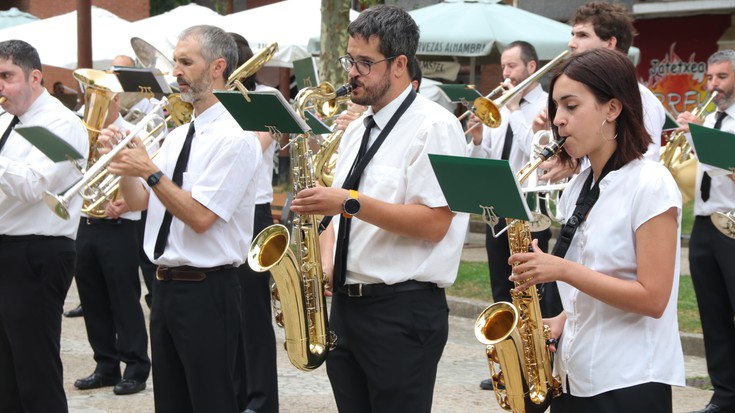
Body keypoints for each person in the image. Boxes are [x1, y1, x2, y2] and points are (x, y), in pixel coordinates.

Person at [290, 5, 469, 412]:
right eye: (349, 60)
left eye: (364, 63)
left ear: (400, 64)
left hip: (401, 312)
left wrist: (349, 202)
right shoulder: (357, 128)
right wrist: (320, 267)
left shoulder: (434, 126)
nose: (351, 72)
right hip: (348, 307)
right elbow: (338, 221)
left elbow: (435, 223)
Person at [508, 48, 684, 412]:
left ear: (612, 109)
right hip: (575, 376)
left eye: (571, 106)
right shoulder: (579, 184)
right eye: (556, 107)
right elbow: (597, 282)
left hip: (630, 381)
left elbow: (653, 299)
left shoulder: (651, 183)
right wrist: (557, 321)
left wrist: (561, 269)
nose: (558, 120)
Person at [98, 25, 261, 413]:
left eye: (186, 62)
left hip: (208, 291)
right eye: (175, 62)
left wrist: (151, 172)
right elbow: (138, 202)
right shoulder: (176, 136)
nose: (176, 72)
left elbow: (201, 217)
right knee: (171, 403)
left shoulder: (236, 137)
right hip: (165, 288)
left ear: (218, 67)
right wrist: (126, 162)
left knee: (213, 402)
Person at [465, 39, 559, 391]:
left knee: (530, 291)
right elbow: (489, 157)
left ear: (531, 68)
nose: (505, 74)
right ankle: (508, 362)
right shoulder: (501, 108)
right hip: (498, 208)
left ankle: (534, 362)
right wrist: (477, 137)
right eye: (503, 67)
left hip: (531, 211)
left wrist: (516, 108)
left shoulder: (545, 105)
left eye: (511, 67)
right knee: (500, 288)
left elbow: (532, 150)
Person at [0, 39, 88, 413]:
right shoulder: (7, 120)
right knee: (6, 372)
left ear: (35, 77)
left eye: (6, 76)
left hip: (37, 253)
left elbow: (34, 185)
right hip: (9, 249)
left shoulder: (61, 123)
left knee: (36, 371)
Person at [71, 55, 152, 397]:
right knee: (91, 298)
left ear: (116, 99)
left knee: (123, 299)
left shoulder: (136, 131)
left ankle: (135, 366)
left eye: (100, 96)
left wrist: (123, 199)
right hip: (86, 222)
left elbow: (148, 178)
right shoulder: (78, 131)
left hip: (121, 226)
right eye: (89, 95)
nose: (93, 102)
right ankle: (105, 365)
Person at [539, 1, 666, 182]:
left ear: (610, 43)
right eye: (573, 34)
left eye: (582, 35)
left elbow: (642, 166)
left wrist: (576, 166)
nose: (571, 43)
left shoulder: (643, 99)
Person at [675, 49, 735, 413]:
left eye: (722, 78)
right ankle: (725, 395)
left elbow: (726, 165)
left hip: (733, 225)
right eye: (710, 78)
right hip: (702, 224)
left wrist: (698, 137)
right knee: (712, 315)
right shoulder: (710, 120)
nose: (714, 85)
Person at [229, 31, 280, 413]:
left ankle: (261, 400)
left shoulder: (263, 99)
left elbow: (254, 145)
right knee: (227, 308)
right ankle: (234, 392)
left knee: (253, 310)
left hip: (255, 211)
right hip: (221, 212)